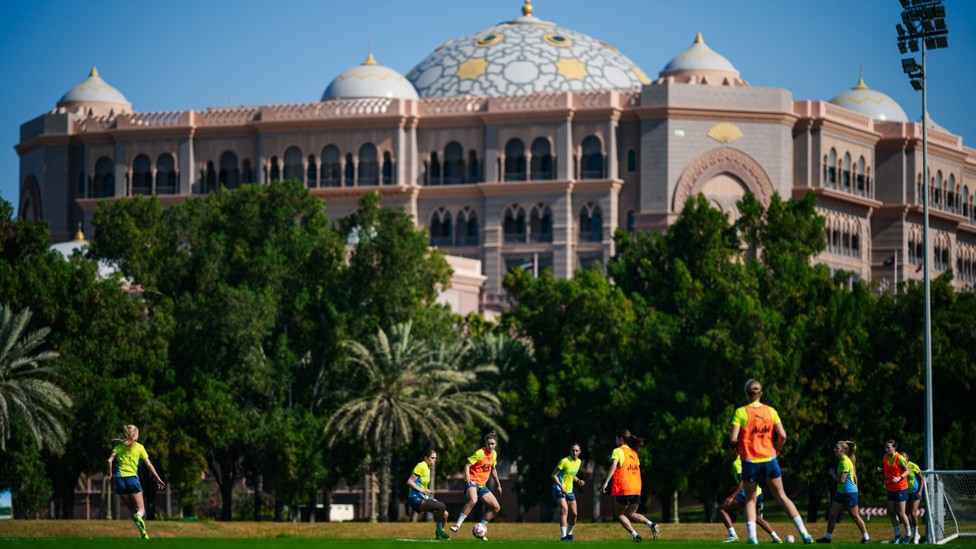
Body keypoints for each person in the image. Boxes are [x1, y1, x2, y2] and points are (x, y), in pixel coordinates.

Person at [729, 379, 813, 545]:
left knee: (751, 500)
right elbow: (783, 436)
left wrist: (735, 449)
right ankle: (805, 534)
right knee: (782, 496)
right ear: (761, 394)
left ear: (747, 394)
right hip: (770, 459)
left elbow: (733, 438)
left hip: (750, 461)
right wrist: (776, 450)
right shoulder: (771, 411)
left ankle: (752, 537)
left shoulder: (740, 412)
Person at [600, 428, 659, 543]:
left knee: (619, 514)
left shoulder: (617, 451)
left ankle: (636, 536)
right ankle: (652, 525)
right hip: (636, 488)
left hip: (624, 488)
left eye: (616, 438)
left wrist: (606, 482)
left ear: (621, 439)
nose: (615, 440)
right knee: (632, 513)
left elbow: (613, 466)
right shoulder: (634, 453)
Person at [106, 425, 165, 540]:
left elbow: (109, 460)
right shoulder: (140, 447)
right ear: (134, 435)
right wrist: (157, 477)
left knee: (132, 509)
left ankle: (143, 532)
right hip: (132, 479)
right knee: (141, 510)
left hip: (119, 480)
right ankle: (139, 518)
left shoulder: (118, 447)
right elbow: (149, 464)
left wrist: (110, 475)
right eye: (138, 434)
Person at [815, 441, 870, 544]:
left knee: (855, 516)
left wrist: (832, 474)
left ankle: (866, 538)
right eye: (835, 448)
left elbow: (841, 480)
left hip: (849, 493)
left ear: (844, 450)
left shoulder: (845, 461)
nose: (835, 450)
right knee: (832, 515)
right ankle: (828, 538)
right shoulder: (843, 460)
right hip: (840, 493)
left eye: (837, 448)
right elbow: (854, 476)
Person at [719, 455, 783, 543]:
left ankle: (732, 535)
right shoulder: (748, 458)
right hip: (758, 492)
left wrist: (732, 496)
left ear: (733, 450)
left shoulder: (737, 462)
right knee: (756, 518)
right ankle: (776, 537)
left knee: (722, 509)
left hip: (747, 493)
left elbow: (742, 481)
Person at [450, 432, 502, 540]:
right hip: (472, 481)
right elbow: (467, 464)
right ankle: (457, 525)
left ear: (496, 444)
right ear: (485, 443)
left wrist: (498, 484)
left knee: (496, 507)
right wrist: (468, 477)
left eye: (492, 444)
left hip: (482, 485)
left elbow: (493, 469)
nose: (490, 446)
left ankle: (481, 528)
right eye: (488, 443)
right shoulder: (480, 453)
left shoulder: (494, 454)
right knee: (473, 500)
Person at [406, 448, 451, 540]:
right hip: (415, 498)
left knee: (445, 514)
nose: (434, 460)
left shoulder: (427, 468)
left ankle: (439, 535)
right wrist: (422, 491)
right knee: (441, 506)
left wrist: (427, 492)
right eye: (432, 458)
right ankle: (439, 531)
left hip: (423, 497)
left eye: (435, 458)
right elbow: (410, 482)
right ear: (426, 458)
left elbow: (421, 484)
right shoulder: (421, 465)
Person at [875, 440, 912, 544]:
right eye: (885, 448)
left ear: (894, 448)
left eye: (888, 447)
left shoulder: (899, 458)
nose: (886, 449)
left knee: (901, 512)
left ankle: (909, 534)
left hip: (901, 487)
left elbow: (907, 470)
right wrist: (881, 470)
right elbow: (887, 468)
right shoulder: (885, 457)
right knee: (891, 512)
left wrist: (899, 478)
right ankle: (898, 535)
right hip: (890, 488)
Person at [551, 442, 585, 542]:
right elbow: (553, 475)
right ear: (570, 451)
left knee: (574, 514)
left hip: (569, 490)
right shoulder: (564, 461)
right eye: (572, 450)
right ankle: (563, 536)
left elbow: (572, 475)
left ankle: (569, 534)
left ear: (580, 452)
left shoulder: (579, 462)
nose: (574, 452)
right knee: (564, 510)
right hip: (558, 489)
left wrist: (578, 480)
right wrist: (561, 486)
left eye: (576, 451)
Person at [902, 450, 925, 544]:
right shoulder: (900, 467)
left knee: (913, 513)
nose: (902, 459)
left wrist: (920, 490)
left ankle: (916, 535)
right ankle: (913, 532)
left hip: (915, 492)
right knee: (906, 515)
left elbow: (921, 479)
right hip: (905, 492)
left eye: (904, 457)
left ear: (907, 458)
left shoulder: (913, 466)